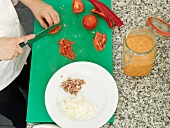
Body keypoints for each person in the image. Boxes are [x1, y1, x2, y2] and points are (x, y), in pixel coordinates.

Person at [0, 0, 60, 127]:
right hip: (1, 84)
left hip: (20, 48)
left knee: (34, 82)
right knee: (19, 113)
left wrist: (33, 3)